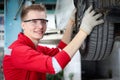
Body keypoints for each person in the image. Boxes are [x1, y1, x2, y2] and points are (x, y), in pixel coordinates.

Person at [3, 4, 104, 80]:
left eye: (43, 21)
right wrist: (84, 31)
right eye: (34, 21)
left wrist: (71, 22)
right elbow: (54, 65)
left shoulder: (34, 48)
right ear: (23, 25)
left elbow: (59, 51)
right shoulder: (18, 51)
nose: (40, 26)